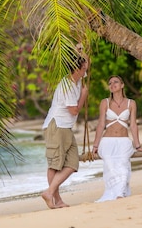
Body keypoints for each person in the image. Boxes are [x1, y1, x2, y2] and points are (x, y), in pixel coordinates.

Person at [41, 55, 89, 209]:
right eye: (84, 67)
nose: (86, 68)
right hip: (57, 125)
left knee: (72, 163)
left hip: (65, 127)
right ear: (77, 69)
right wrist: (83, 96)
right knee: (55, 164)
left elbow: (84, 61)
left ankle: (50, 193)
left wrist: (81, 49)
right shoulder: (67, 84)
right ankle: (55, 198)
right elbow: (74, 110)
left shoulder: (78, 78)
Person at [92, 75, 142, 202]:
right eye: (110, 83)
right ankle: (115, 193)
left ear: (122, 85)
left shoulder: (131, 103)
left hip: (123, 141)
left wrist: (137, 145)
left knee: (123, 166)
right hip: (107, 142)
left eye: (116, 82)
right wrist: (95, 146)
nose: (112, 84)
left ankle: (120, 194)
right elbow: (101, 124)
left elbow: (133, 125)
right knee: (110, 166)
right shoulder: (105, 103)